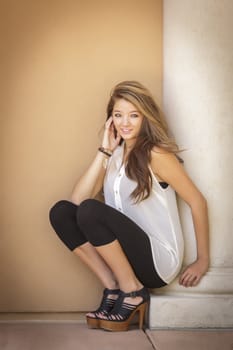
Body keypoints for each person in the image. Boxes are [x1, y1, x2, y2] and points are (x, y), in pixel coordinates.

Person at [49, 80, 209, 332]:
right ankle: (114, 286)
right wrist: (104, 150)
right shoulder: (113, 155)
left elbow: (198, 201)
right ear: (109, 120)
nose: (125, 123)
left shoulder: (156, 154)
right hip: (125, 259)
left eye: (134, 115)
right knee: (61, 212)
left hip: (157, 262)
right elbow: (76, 203)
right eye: (118, 115)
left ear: (146, 118)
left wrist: (203, 260)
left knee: (91, 210)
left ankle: (133, 292)